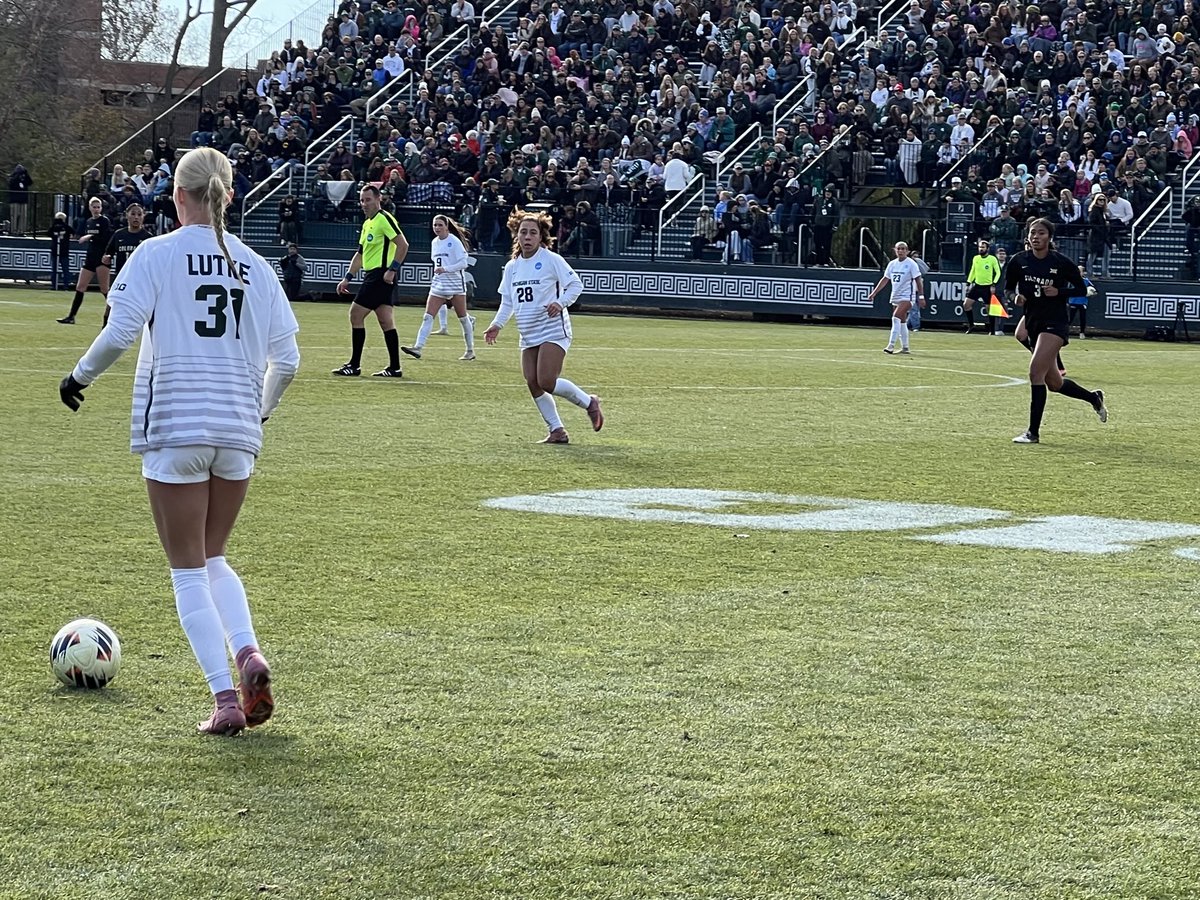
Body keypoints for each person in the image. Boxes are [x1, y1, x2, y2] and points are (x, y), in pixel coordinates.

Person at [56, 147, 300, 735]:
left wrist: (77, 377)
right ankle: (247, 653)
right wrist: (258, 413)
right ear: (230, 195)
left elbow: (119, 332)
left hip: (176, 422)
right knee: (214, 557)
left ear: (177, 195)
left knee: (187, 569)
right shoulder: (256, 265)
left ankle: (224, 700)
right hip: (238, 429)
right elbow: (287, 360)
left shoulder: (157, 254)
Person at [483, 209, 604, 444]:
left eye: (532, 233)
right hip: (527, 332)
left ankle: (590, 403)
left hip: (552, 329)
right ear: (516, 236)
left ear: (541, 237)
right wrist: (496, 324)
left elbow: (575, 285)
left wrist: (560, 303)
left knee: (547, 381)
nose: (527, 237)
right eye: (523, 232)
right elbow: (508, 301)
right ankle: (557, 430)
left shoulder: (550, 259)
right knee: (532, 382)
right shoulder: (512, 267)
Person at [1005, 218, 1107, 444]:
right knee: (1054, 384)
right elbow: (1008, 289)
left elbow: (1082, 288)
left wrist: (1059, 291)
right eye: (1032, 233)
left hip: (1056, 322)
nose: (1035, 237)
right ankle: (1093, 398)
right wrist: (1015, 297)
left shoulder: (1061, 262)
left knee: (1034, 373)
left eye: (1041, 233)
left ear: (1049, 237)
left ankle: (1033, 433)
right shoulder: (1018, 260)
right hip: (1033, 319)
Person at [333, 184, 409, 377]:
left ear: (378, 199)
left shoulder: (384, 219)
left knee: (355, 314)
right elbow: (360, 254)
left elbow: (403, 245)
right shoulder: (368, 223)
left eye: (368, 200)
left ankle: (354, 365)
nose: (364, 204)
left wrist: (392, 270)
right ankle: (395, 368)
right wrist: (347, 278)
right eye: (361, 200)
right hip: (373, 275)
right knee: (385, 320)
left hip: (380, 275)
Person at [402, 214, 477, 361]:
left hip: (455, 284)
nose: (437, 228)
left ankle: (470, 350)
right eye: (435, 225)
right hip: (439, 283)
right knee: (427, 316)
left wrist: (446, 269)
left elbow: (463, 263)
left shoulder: (454, 241)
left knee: (462, 317)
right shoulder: (434, 242)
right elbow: (436, 262)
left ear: (446, 226)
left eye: (440, 225)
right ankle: (418, 347)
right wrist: (439, 272)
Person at [57, 197, 113, 325]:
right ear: (90, 208)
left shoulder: (104, 221)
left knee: (104, 289)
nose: (96, 209)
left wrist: (90, 236)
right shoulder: (89, 221)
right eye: (94, 207)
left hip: (101, 257)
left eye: (98, 207)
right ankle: (71, 316)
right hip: (90, 257)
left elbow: (106, 238)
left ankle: (113, 315)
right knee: (80, 286)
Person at [100, 203, 155, 326]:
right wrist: (107, 258)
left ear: (143, 216)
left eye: (139, 214)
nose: (136, 217)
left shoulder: (148, 238)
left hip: (140, 281)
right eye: (133, 214)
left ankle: (152, 339)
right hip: (122, 279)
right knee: (110, 308)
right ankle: (105, 335)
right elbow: (108, 253)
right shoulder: (119, 235)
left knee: (148, 311)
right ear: (127, 216)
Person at [867, 241, 924, 355]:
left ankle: (891, 345)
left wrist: (921, 296)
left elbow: (918, 279)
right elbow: (885, 279)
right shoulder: (892, 264)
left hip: (907, 296)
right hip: (895, 295)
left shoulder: (911, 264)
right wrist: (874, 293)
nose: (901, 251)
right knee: (902, 321)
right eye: (899, 249)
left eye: (903, 249)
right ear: (895, 250)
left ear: (907, 251)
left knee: (895, 317)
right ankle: (905, 347)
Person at [964, 238, 1002, 335]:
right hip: (977, 285)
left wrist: (994, 283)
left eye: (983, 247)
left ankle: (992, 330)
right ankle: (971, 324)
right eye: (980, 247)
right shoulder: (976, 258)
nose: (981, 249)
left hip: (987, 287)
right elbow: (973, 271)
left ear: (987, 249)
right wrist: (968, 282)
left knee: (989, 309)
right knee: (966, 305)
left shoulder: (992, 259)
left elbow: (998, 272)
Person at [1068, 268, 1097, 338]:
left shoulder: (1086, 281)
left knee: (1082, 318)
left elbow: (1095, 291)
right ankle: (1065, 331)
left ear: (1083, 273)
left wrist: (1090, 293)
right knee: (1070, 318)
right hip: (1073, 302)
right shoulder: (1072, 280)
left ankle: (1082, 333)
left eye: (1080, 271)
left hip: (1082, 302)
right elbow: (1068, 290)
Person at [47, 211, 72, 290]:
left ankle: (66, 285)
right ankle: (54, 285)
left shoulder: (66, 227)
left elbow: (72, 231)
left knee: (65, 269)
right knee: (55, 269)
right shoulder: (54, 227)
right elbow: (48, 233)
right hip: (55, 251)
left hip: (64, 251)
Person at [8, 164, 32, 235]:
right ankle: (13, 230)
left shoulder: (24, 178)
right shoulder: (12, 178)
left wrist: (26, 173)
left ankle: (21, 230)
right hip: (14, 199)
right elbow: (11, 184)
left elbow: (30, 182)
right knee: (14, 215)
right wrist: (17, 176)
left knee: (23, 216)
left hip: (23, 199)